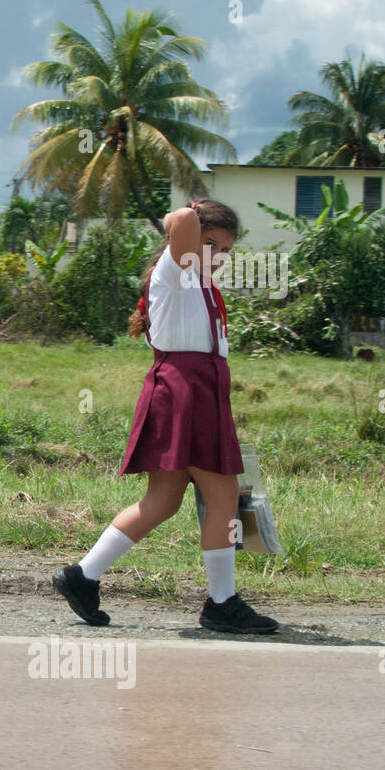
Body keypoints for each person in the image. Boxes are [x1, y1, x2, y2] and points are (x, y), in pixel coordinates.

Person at [52, 199, 279, 635]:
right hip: (184, 393)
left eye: (225, 250)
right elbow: (180, 220)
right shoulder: (175, 274)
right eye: (209, 243)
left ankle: (82, 576)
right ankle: (221, 604)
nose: (217, 256)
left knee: (163, 502)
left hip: (191, 393)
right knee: (224, 497)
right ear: (187, 242)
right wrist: (193, 213)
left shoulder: (201, 286)